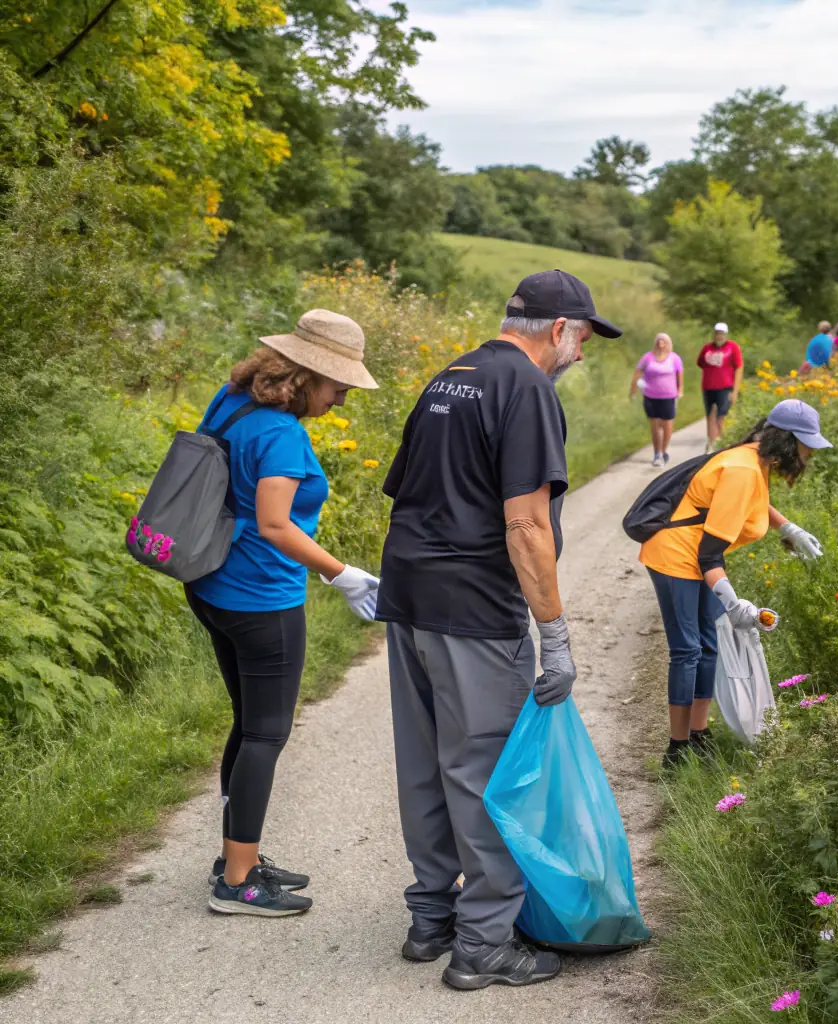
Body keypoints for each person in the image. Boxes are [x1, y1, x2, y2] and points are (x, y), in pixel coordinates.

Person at [376, 269, 621, 991]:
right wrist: (554, 634)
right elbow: (524, 522)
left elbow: (410, 492)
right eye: (581, 339)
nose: (580, 355)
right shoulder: (527, 389)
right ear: (556, 330)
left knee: (425, 763)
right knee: (487, 775)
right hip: (474, 610)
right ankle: (483, 943)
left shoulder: (447, 377)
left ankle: (431, 917)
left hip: (409, 594)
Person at [190, 309, 382, 918]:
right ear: (305, 376)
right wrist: (341, 572)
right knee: (266, 733)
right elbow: (274, 523)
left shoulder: (232, 400)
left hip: (211, 583)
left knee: (248, 724)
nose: (343, 396)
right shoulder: (280, 434)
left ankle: (235, 856)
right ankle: (238, 884)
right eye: (338, 385)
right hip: (260, 596)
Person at [638, 399, 829, 766]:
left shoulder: (756, 460)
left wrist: (788, 527)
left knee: (709, 646)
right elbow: (710, 556)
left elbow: (756, 503)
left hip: (697, 556)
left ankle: (699, 734)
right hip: (674, 555)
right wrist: (734, 602)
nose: (808, 455)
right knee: (687, 650)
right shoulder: (742, 469)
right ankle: (677, 749)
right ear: (787, 441)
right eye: (806, 446)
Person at [630, 332, 684, 467]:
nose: (661, 344)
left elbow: (679, 375)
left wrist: (680, 390)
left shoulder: (674, 358)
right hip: (650, 396)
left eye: (663, 341)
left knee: (667, 426)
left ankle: (664, 450)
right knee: (655, 425)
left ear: (668, 343)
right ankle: (657, 453)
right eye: (659, 341)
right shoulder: (648, 357)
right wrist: (633, 390)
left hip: (668, 396)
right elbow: (638, 373)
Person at [697, 322, 743, 454]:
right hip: (708, 386)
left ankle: (723, 443)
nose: (719, 336)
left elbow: (739, 367)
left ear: (726, 334)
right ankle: (711, 442)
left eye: (722, 333)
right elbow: (700, 363)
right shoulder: (707, 348)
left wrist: (735, 390)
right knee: (710, 414)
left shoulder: (732, 347)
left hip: (725, 386)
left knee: (722, 416)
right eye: (717, 333)